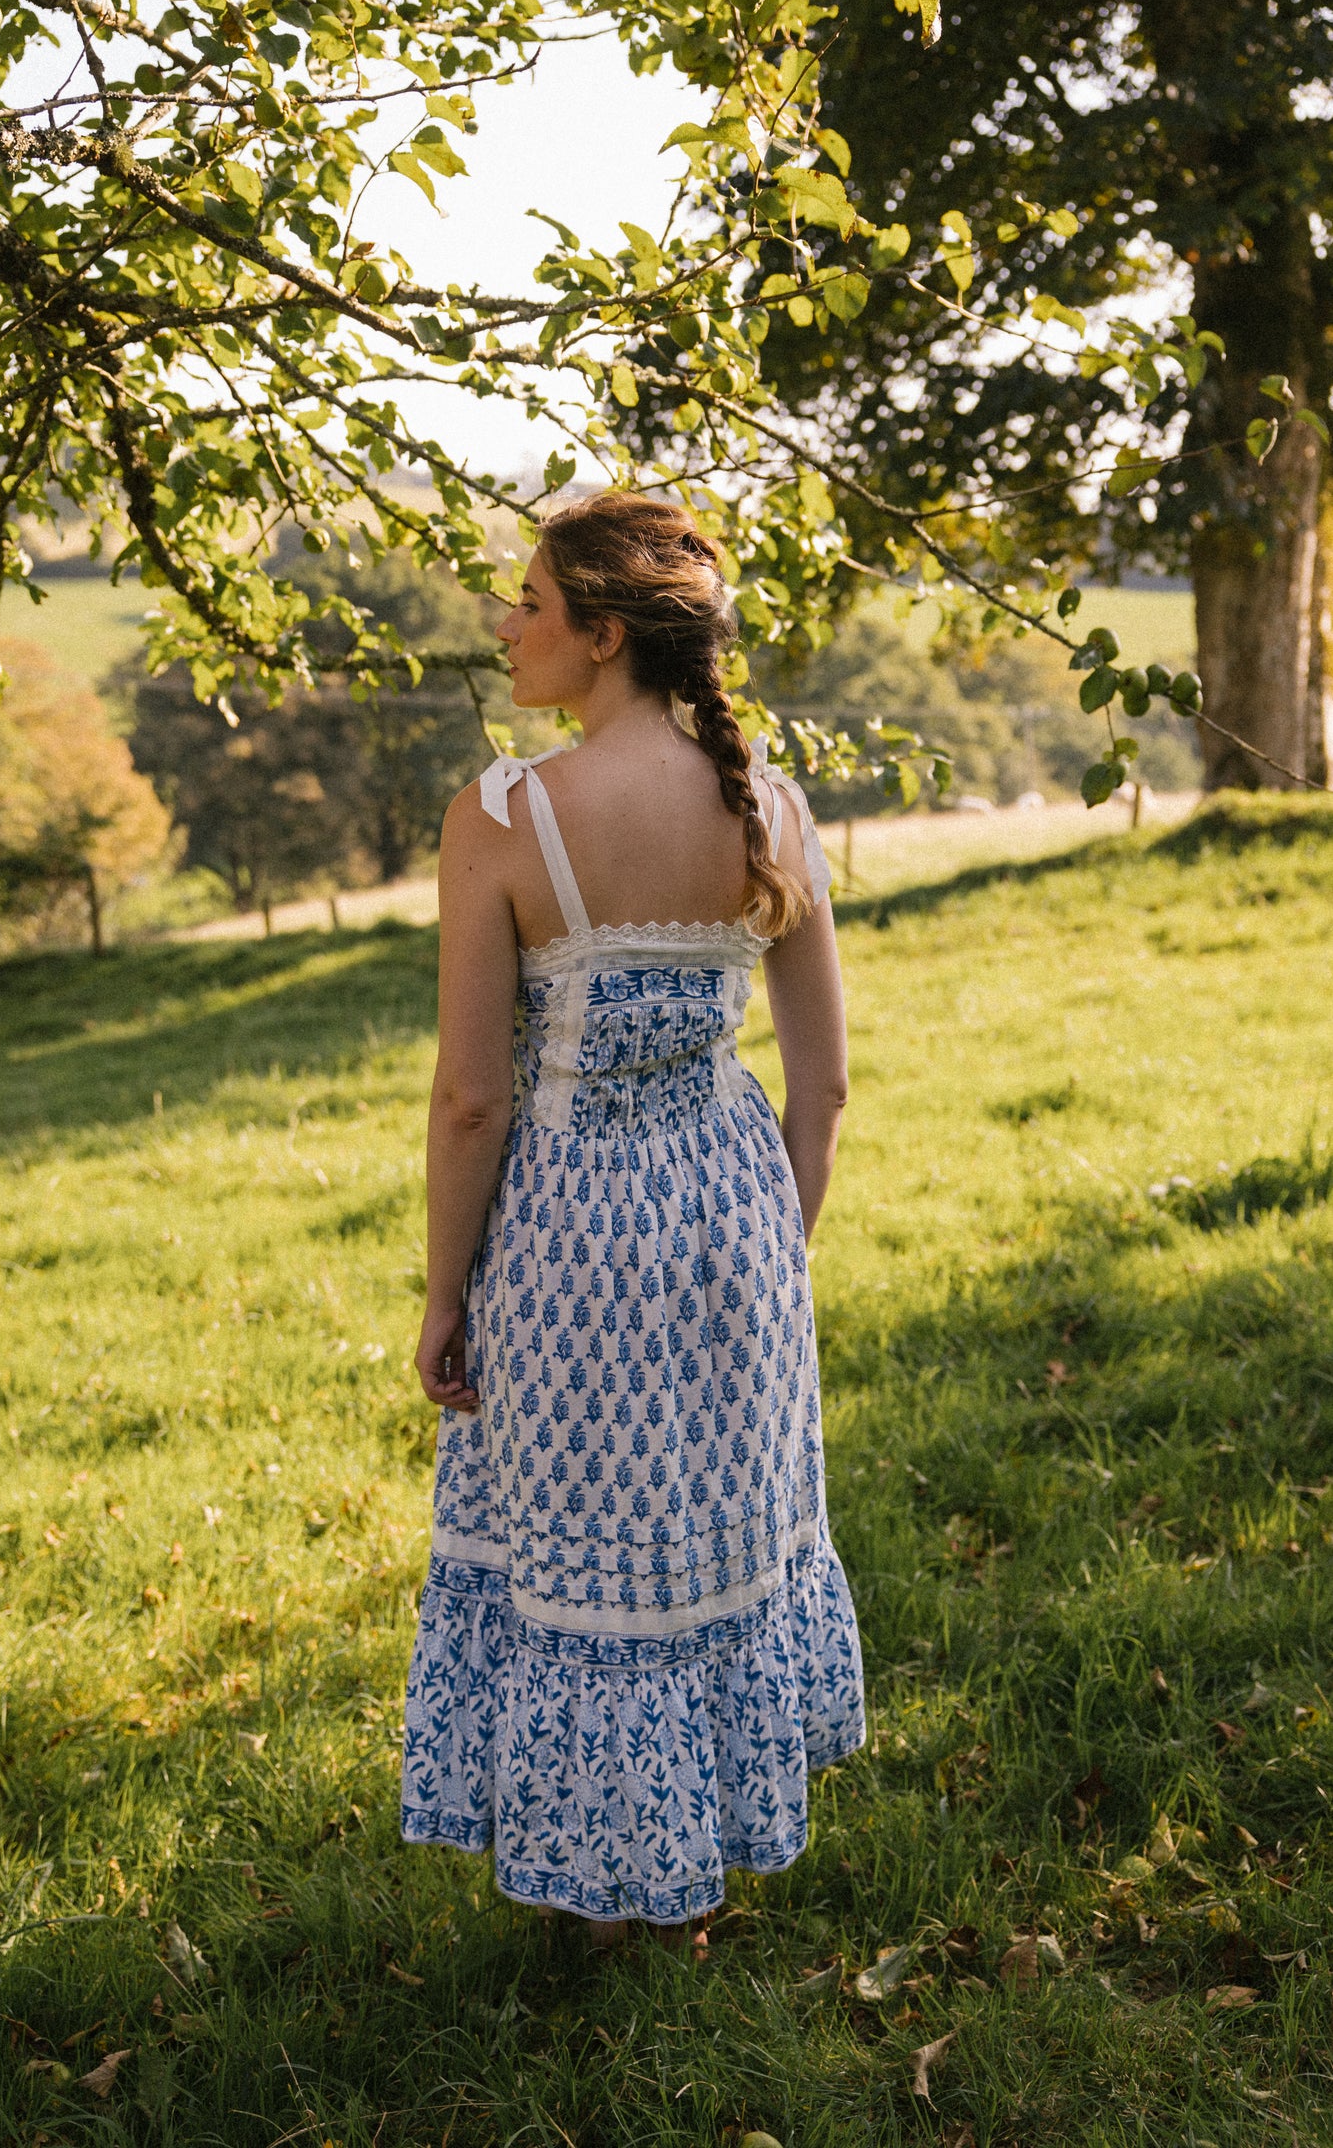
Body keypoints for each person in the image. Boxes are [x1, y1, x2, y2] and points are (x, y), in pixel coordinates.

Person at [400, 492, 864, 1949]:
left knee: (583, 1562)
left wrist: (443, 1293)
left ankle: (598, 1900)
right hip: (732, 1211)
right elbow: (825, 1082)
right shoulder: (770, 804)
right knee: (706, 1543)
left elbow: (473, 1099)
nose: (505, 625)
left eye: (528, 603)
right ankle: (687, 1871)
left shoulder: (505, 814)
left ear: (601, 637)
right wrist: (763, 1255)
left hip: (570, 1233)